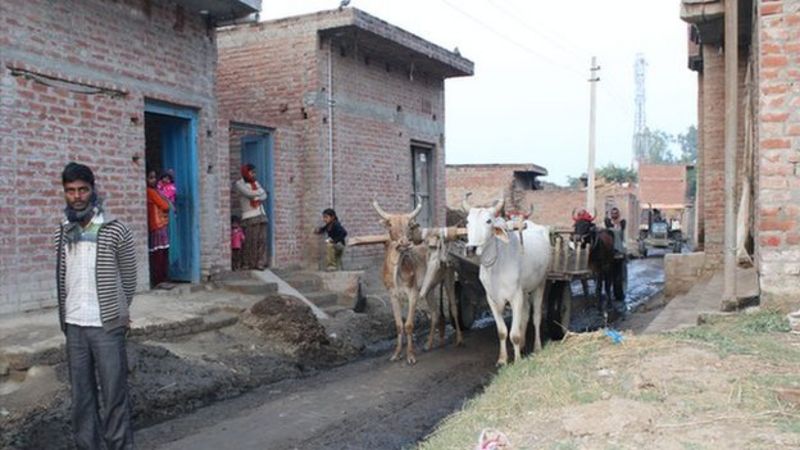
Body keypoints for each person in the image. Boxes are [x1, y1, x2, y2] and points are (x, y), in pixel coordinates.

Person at [55, 162, 137, 449]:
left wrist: (119, 311)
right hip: (75, 325)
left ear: (93, 191)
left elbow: (129, 277)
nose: (77, 196)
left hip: (106, 326)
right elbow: (62, 276)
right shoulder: (64, 231)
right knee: (81, 397)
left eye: (82, 190)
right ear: (65, 193)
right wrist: (65, 318)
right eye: (70, 191)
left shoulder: (114, 229)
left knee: (115, 395)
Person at [235, 164, 268, 270]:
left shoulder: (255, 183)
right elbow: (248, 193)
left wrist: (257, 194)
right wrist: (259, 193)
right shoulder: (239, 184)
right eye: (251, 172)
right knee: (251, 240)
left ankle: (260, 262)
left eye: (254, 172)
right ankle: (249, 263)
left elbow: (264, 196)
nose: (254, 175)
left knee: (261, 239)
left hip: (260, 213)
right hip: (249, 215)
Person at [146, 169, 171, 287]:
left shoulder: (155, 191)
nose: (154, 180)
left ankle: (161, 279)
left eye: (154, 177)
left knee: (160, 253)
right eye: (150, 177)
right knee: (159, 254)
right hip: (157, 225)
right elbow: (165, 206)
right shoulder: (151, 191)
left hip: (158, 224)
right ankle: (159, 280)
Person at [604, 206, 627, 302]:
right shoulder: (608, 223)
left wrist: (624, 250)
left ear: (618, 214)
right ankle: (608, 293)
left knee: (618, 276)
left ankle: (619, 294)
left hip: (619, 252)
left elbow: (621, 235)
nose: (614, 215)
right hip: (609, 252)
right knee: (608, 275)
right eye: (612, 213)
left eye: (616, 213)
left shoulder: (622, 223)